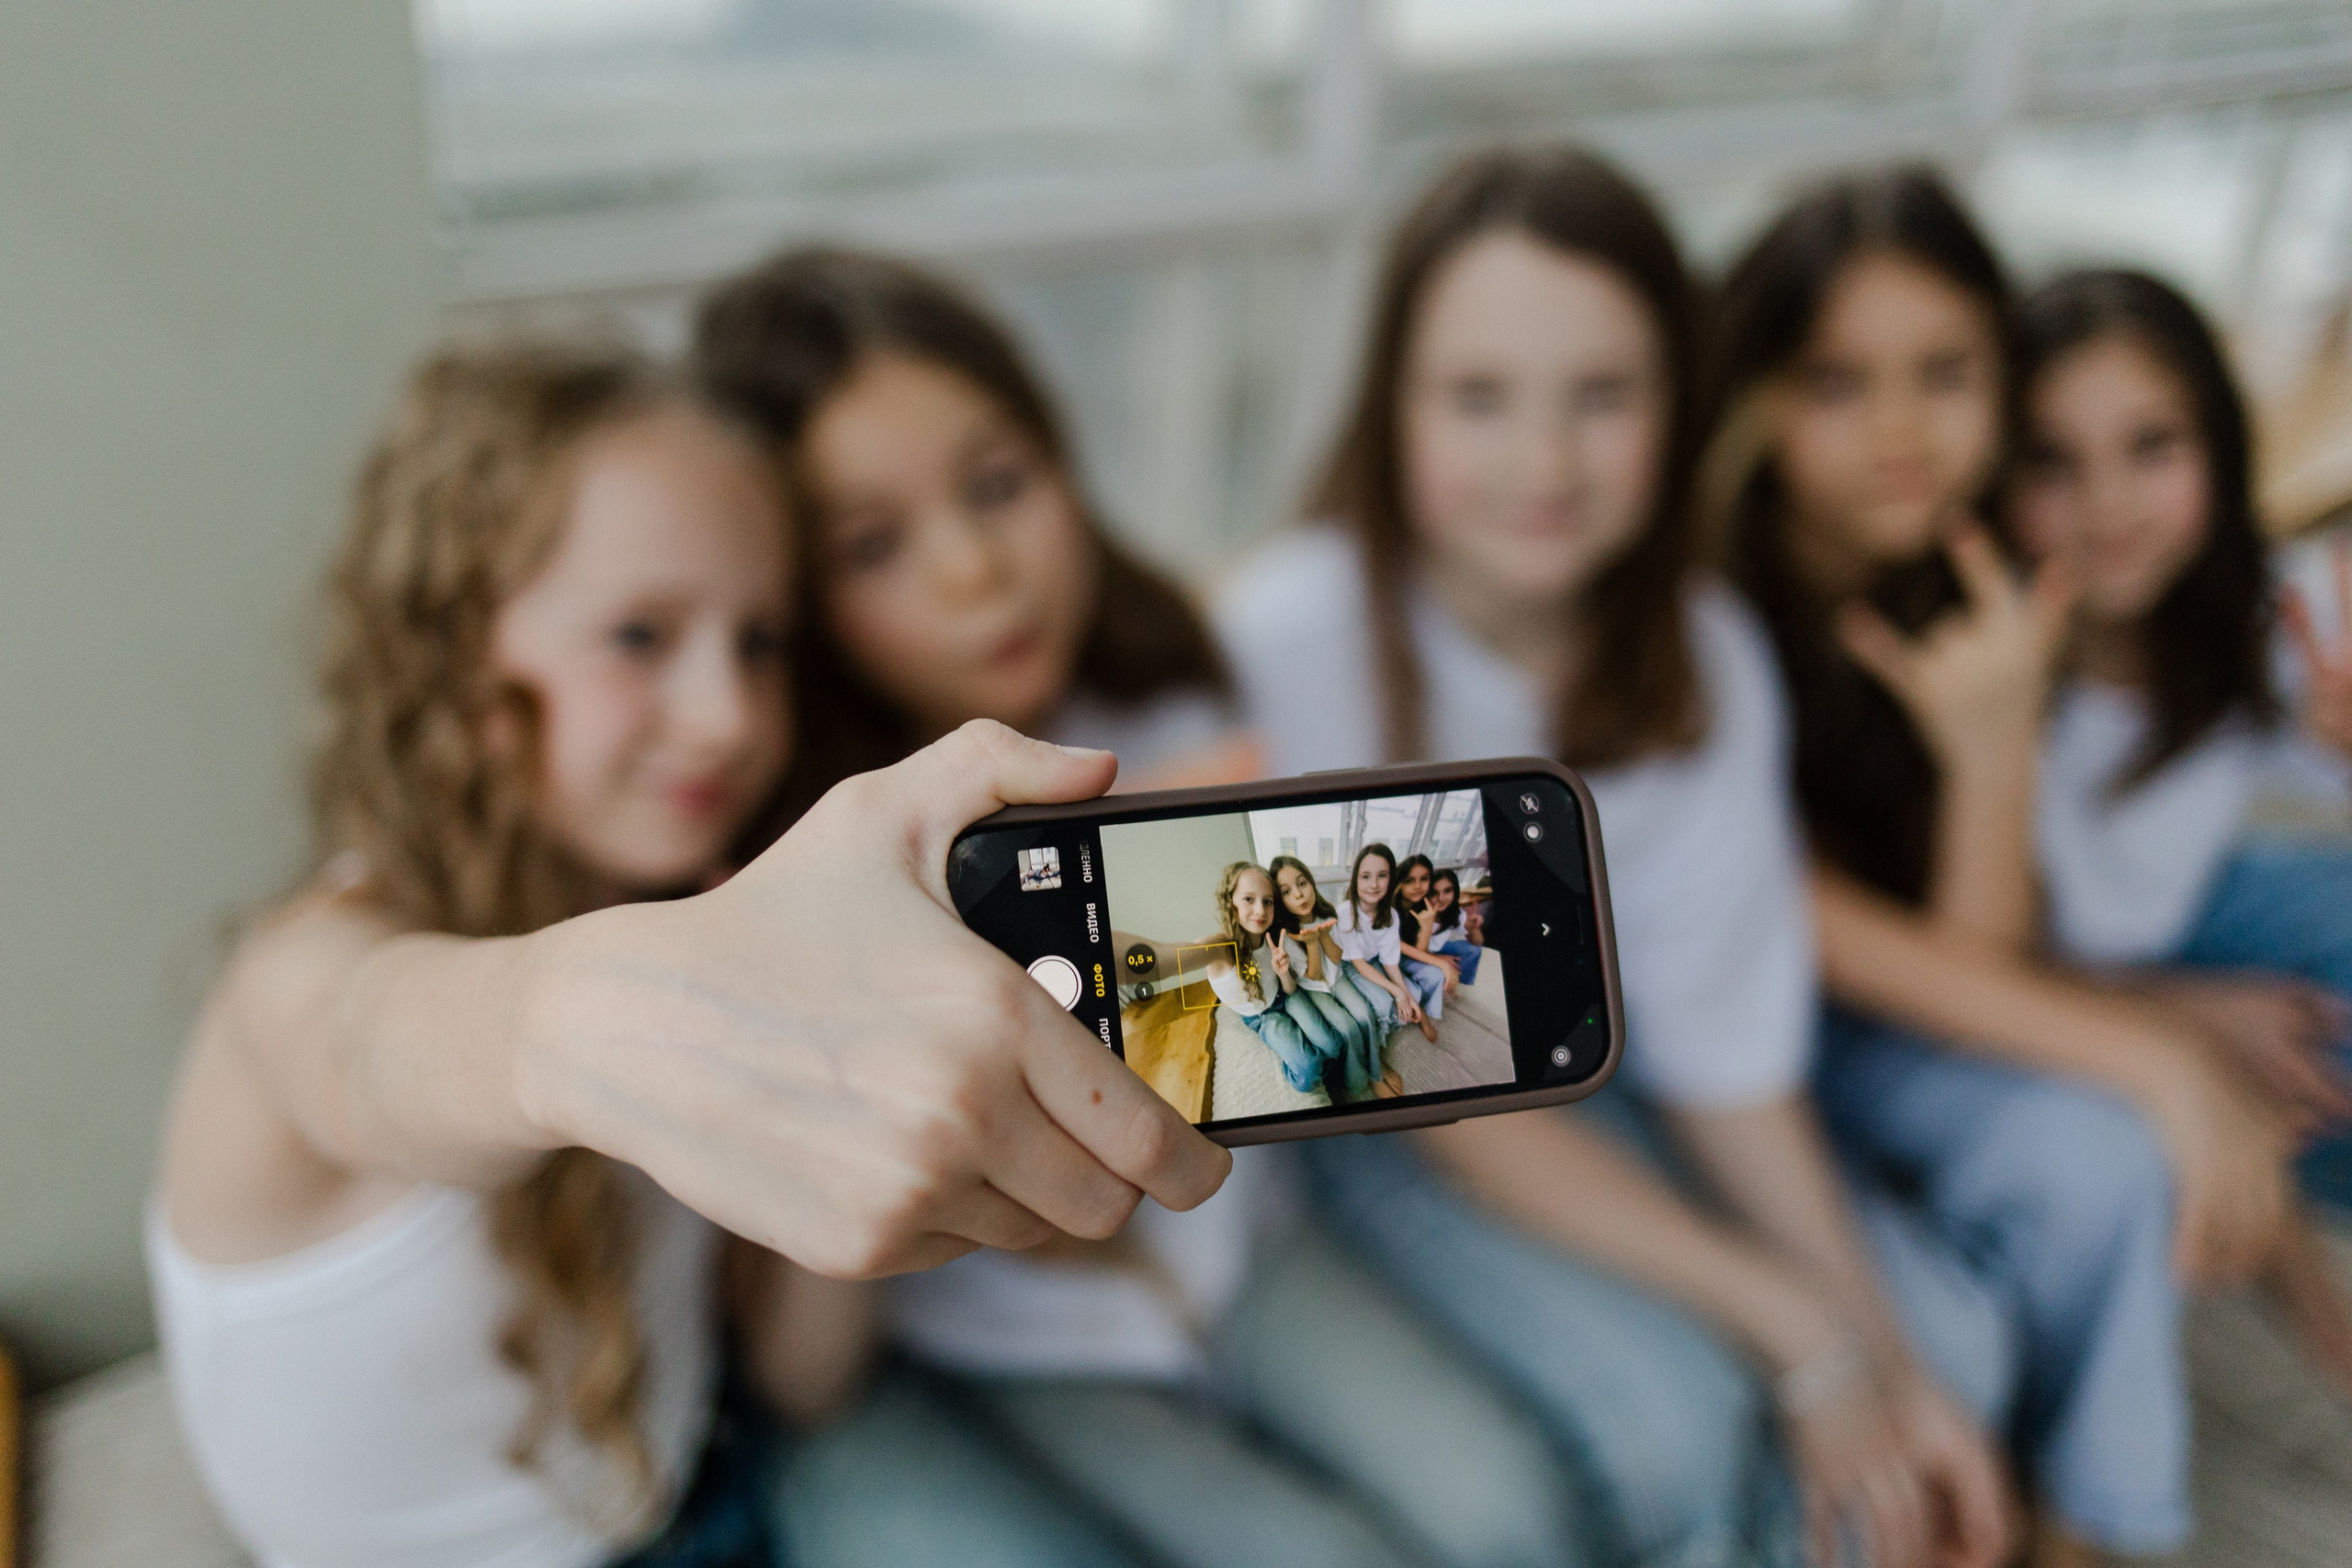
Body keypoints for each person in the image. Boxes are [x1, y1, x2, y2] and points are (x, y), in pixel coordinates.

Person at [148, 343, 1232, 1568]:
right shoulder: (293, 978)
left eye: (759, 642)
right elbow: (377, 1041)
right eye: (640, 633)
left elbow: (799, 1378)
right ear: (452, 650)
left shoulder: (704, 903)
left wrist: (865, 1110)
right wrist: (602, 1020)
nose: (726, 715)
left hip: (719, 1489)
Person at [695, 246, 1583, 1568]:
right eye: (874, 544)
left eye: (999, 484)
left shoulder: (1170, 699)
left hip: (1235, 1243)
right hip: (1013, 1337)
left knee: (1508, 1505)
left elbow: (1303, 1030)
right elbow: (808, 1353)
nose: (975, 568)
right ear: (797, 597)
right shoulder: (801, 860)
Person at [1219, 145, 2009, 1568]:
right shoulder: (1293, 640)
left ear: (1682, 403)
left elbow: (1727, 1063)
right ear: (1392, 407)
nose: (1544, 463)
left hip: (1601, 1075)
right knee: (1681, 1420)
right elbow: (1431, 1090)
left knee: (1950, 1349)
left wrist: (1882, 1355)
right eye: (1479, 397)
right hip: (1371, 1129)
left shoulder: (1707, 655)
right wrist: (1798, 1326)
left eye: (1602, 396)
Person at [1717, 168, 2296, 1564]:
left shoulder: (1958, 573)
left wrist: (1988, 755)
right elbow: (1817, 923)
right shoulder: (1712, 606)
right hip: (1729, 1058)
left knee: (2104, 1161)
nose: (1902, 431)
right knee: (2062, 1199)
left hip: (1875, 1030)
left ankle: (2102, 1529)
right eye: (1838, 383)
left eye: (1947, 374)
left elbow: (1970, 963)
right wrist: (2156, 1051)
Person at [2009, 267, 2352, 1389]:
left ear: (2218, 443)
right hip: (2067, 1023)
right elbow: (1973, 962)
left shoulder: (2277, 622)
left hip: (2238, 992)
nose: (2107, 505)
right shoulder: (1998, 687)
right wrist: (2177, 1017)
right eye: (2054, 462)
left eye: (2150, 446)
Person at [1269, 852, 1390, 1096]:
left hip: (1337, 977)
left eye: (1302, 883)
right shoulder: (1287, 934)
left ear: (1311, 883)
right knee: (1346, 1028)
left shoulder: (1327, 914)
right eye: (1287, 891)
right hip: (1313, 988)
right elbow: (1313, 976)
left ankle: (1376, 1071)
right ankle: (1357, 1082)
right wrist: (1312, 944)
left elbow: (1336, 958)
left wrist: (1323, 936)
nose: (1299, 894)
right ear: (1280, 900)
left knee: (1364, 1013)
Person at [1336, 842, 1438, 1048]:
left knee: (1414, 995)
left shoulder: (1391, 915)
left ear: (1391, 879)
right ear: (1355, 879)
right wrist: (1398, 993)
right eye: (1366, 876)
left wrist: (1406, 995)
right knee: (1383, 1004)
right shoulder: (1346, 912)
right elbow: (1359, 964)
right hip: (1351, 965)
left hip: (1374, 961)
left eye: (1382, 875)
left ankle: (1416, 1013)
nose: (1374, 884)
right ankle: (1379, 1041)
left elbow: (1390, 963)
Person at [1426, 868, 1486, 987]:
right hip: (1417, 952)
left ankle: (1460, 984)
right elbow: (1409, 950)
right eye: (1434, 893)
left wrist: (1472, 928)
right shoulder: (1419, 913)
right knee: (1433, 974)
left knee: (1473, 950)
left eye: (1447, 891)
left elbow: (1478, 942)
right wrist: (1439, 958)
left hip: (1438, 948)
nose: (1441, 898)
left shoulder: (1454, 912)